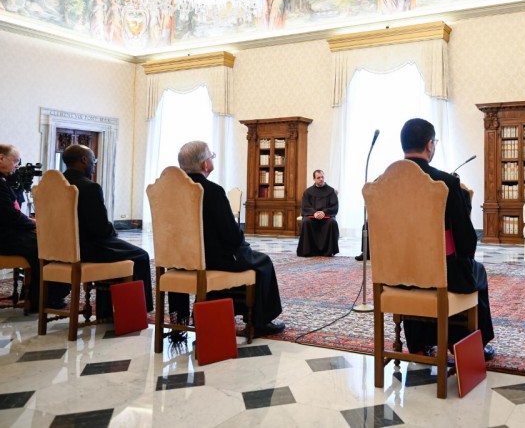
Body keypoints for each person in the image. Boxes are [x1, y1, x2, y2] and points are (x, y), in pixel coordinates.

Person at [398, 118, 495, 361]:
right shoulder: (446, 183)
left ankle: (418, 344)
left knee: (419, 272)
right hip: (441, 275)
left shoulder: (382, 183)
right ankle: (464, 344)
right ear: (430, 145)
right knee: (474, 271)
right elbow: (466, 244)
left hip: (398, 276)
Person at [168, 141, 285, 336]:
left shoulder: (170, 192)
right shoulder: (212, 191)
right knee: (263, 262)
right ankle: (260, 322)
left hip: (180, 260)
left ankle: (190, 319)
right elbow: (231, 236)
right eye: (211, 156)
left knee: (242, 257)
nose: (212, 160)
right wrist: (241, 239)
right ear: (205, 164)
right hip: (213, 260)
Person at [62, 144, 153, 318]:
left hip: (61, 249)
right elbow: (100, 229)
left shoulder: (54, 185)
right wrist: (114, 232)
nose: (94, 165)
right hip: (88, 249)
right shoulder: (89, 187)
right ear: (84, 160)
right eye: (93, 160)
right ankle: (136, 312)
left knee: (119, 251)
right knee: (140, 256)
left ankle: (106, 310)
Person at [0, 144, 68, 311]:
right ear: (1, 158)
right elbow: (10, 215)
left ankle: (33, 295)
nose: (17, 166)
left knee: (42, 241)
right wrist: (34, 224)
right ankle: (46, 298)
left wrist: (30, 221)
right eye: (15, 161)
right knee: (47, 246)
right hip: (4, 237)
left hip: (7, 232)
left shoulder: (4, 180)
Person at [296, 170, 339, 257]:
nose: (321, 179)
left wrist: (324, 212)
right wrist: (314, 213)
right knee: (306, 222)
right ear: (314, 179)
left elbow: (334, 206)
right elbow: (305, 206)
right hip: (312, 216)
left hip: (326, 217)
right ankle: (308, 251)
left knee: (332, 222)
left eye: (322, 177)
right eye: (318, 177)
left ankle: (328, 251)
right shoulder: (308, 192)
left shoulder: (331, 191)